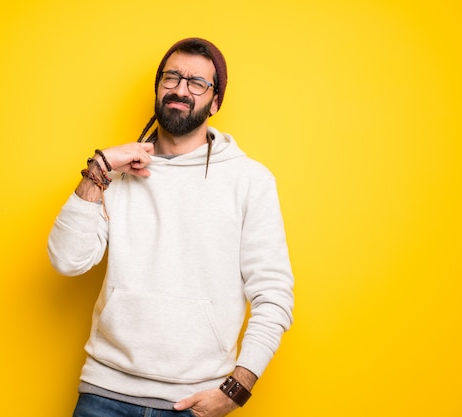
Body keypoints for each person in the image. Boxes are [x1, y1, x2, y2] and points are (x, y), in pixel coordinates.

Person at [48, 37, 294, 417]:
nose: (181, 89)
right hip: (104, 393)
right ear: (159, 87)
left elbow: (274, 296)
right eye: (172, 78)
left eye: (197, 83)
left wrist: (236, 390)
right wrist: (98, 169)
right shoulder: (116, 174)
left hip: (194, 403)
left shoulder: (250, 180)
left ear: (215, 102)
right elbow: (67, 260)